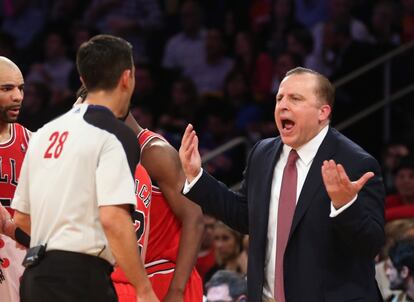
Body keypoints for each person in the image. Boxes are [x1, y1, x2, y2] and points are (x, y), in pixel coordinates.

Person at [179, 66, 385, 301]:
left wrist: (345, 206)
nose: (283, 105)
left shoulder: (355, 162)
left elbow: (371, 245)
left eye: (295, 98)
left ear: (323, 112)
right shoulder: (262, 153)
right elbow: (245, 217)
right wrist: (197, 176)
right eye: (279, 98)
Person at [11, 34, 158, 302]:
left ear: (83, 80)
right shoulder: (116, 134)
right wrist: (144, 288)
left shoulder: (44, 133)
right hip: (81, 277)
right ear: (127, 78)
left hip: (34, 278)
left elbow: (21, 219)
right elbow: (113, 218)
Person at [118, 110, 204, 301]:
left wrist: (177, 291)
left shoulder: (154, 152)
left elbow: (194, 218)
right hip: (135, 280)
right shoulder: (109, 153)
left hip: (167, 275)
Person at [0, 56, 30, 302]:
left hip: (21, 256)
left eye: (20, 88)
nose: (18, 96)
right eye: (7, 88)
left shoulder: (34, 142)